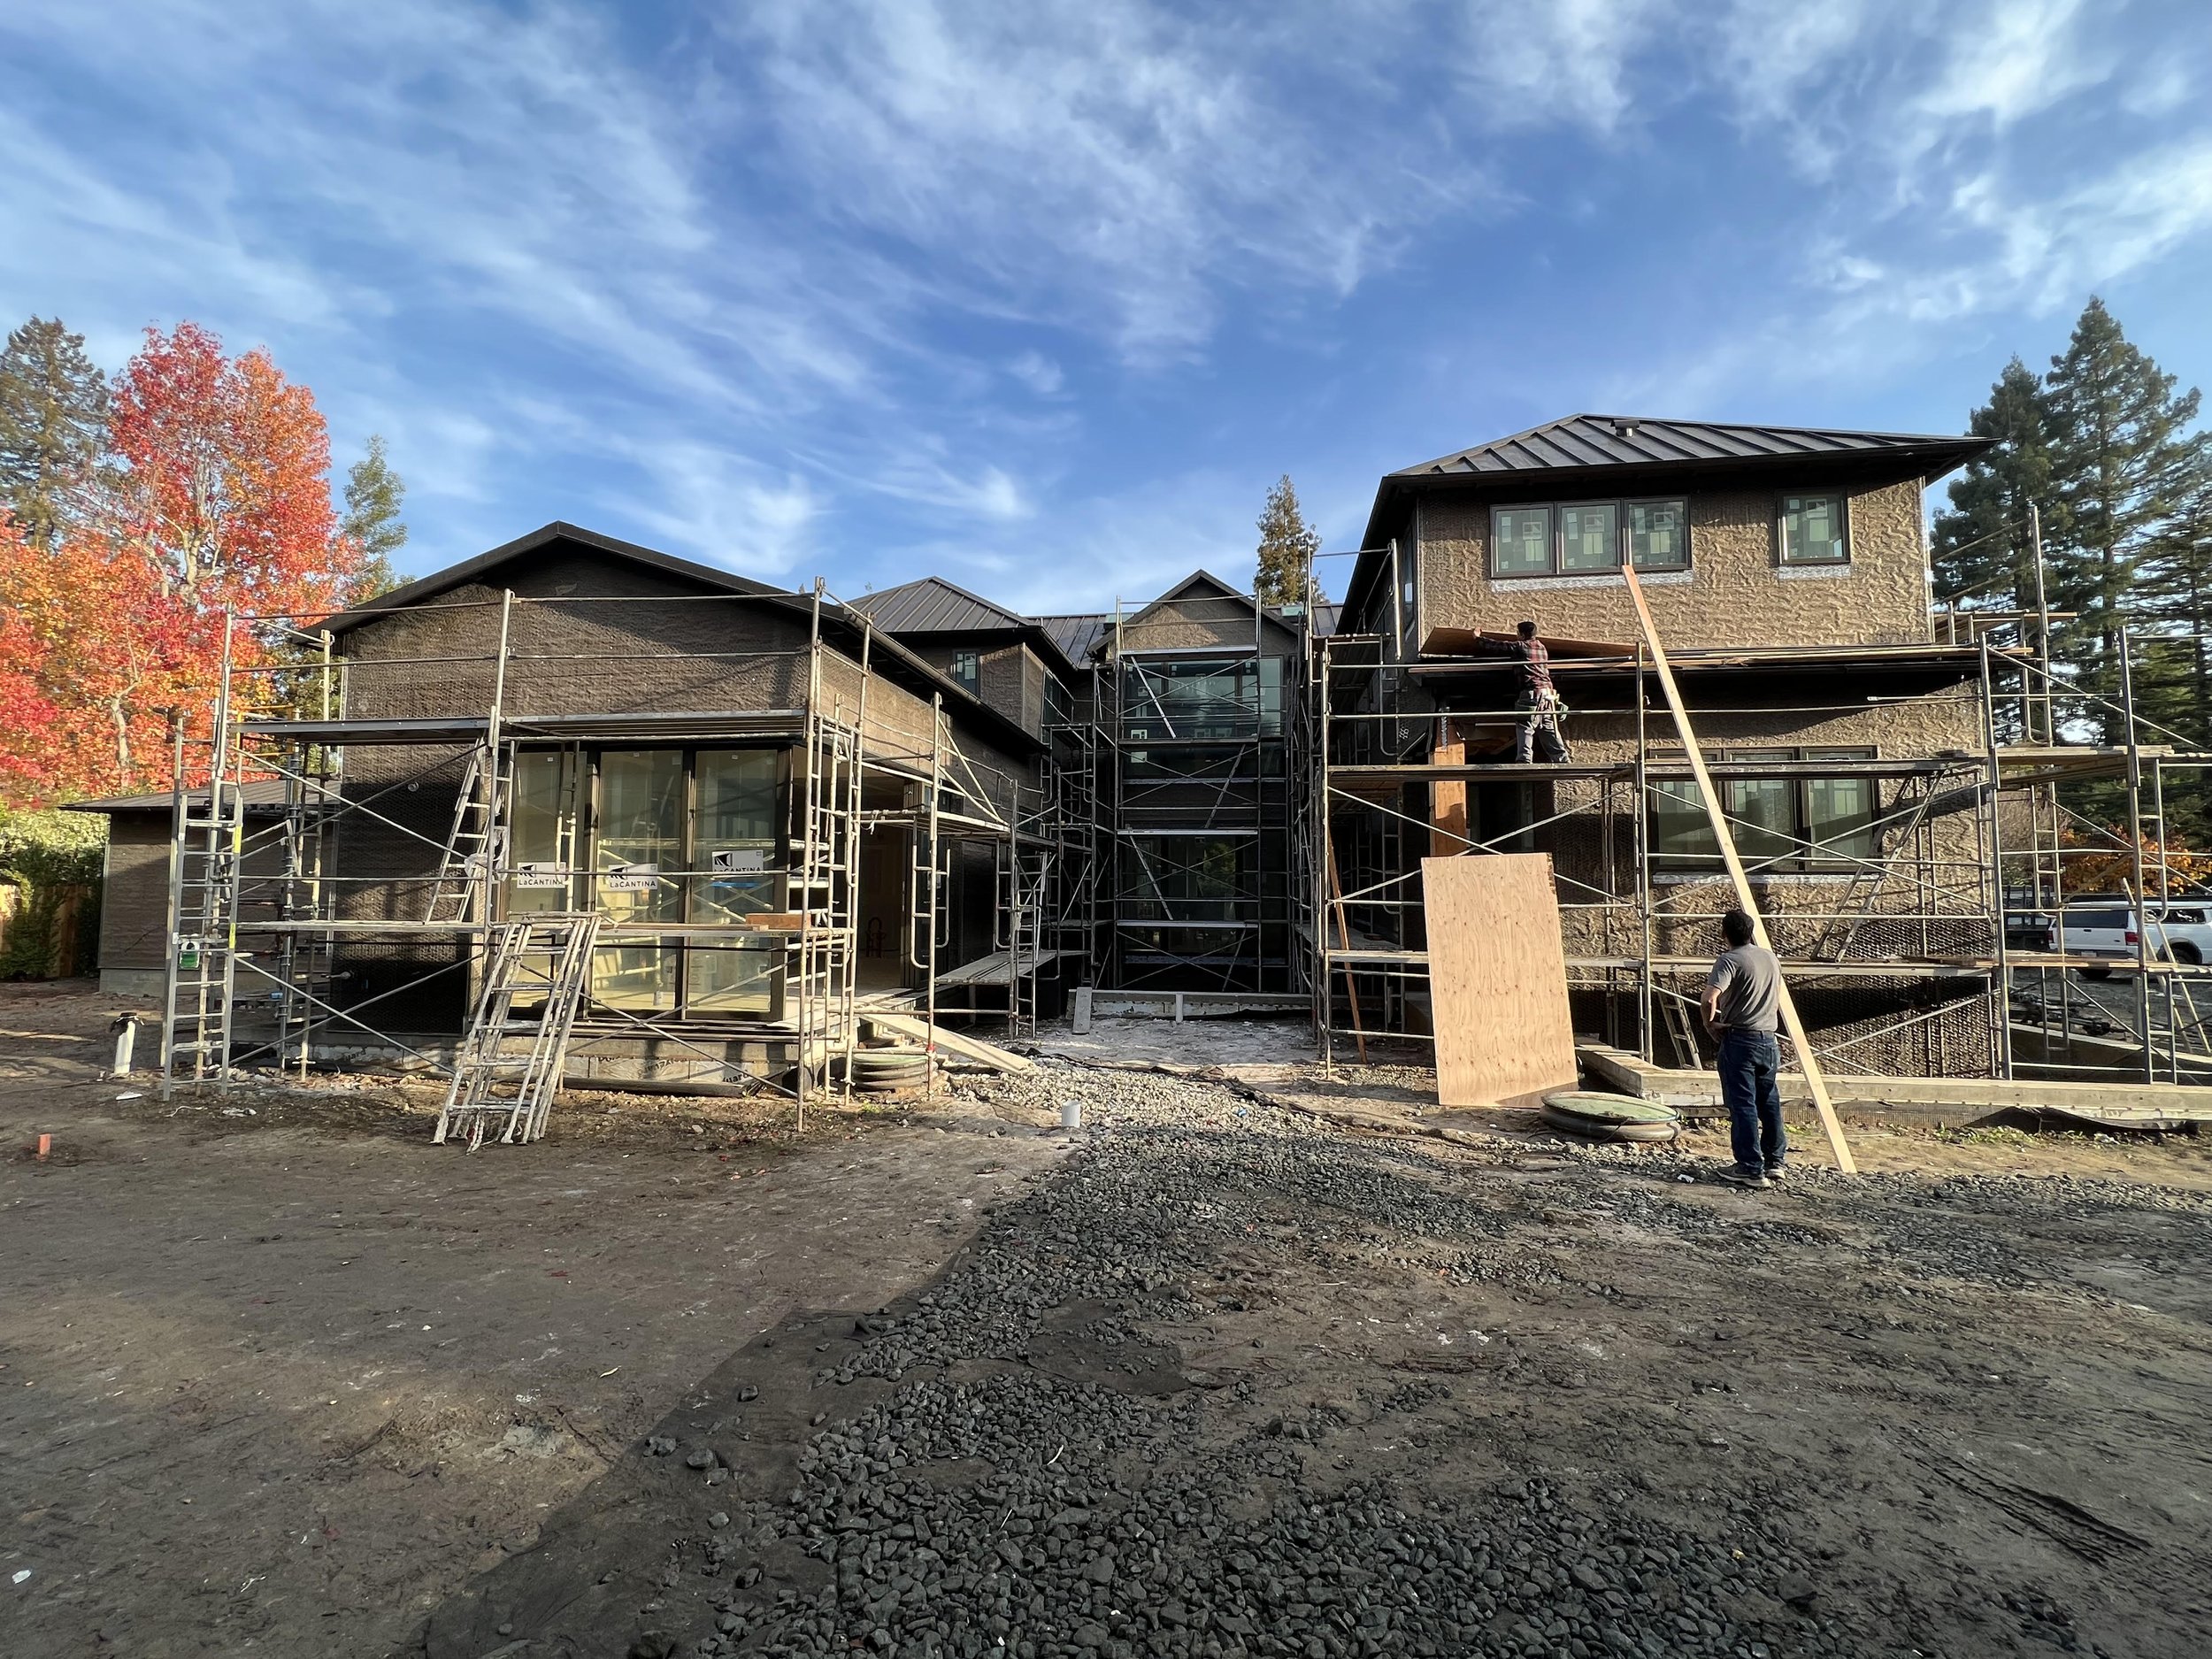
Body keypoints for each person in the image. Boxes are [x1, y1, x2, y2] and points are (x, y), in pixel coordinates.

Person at [1701, 907, 1786, 1189]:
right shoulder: (1770, 958)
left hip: (1741, 1039)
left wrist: (1710, 1024)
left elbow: (1709, 998)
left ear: (1724, 934)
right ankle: (1775, 1162)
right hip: (1769, 1039)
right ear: (1751, 932)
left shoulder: (1729, 960)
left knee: (1742, 1103)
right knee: (1769, 1100)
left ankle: (1750, 1167)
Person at [1506, 619, 1570, 763]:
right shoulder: (1542, 647)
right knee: (1548, 726)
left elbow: (1498, 646)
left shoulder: (1521, 646)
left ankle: (1524, 760)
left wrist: (1478, 638)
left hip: (1532, 692)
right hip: (1548, 694)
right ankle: (1562, 759)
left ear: (1521, 635)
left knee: (1525, 724)